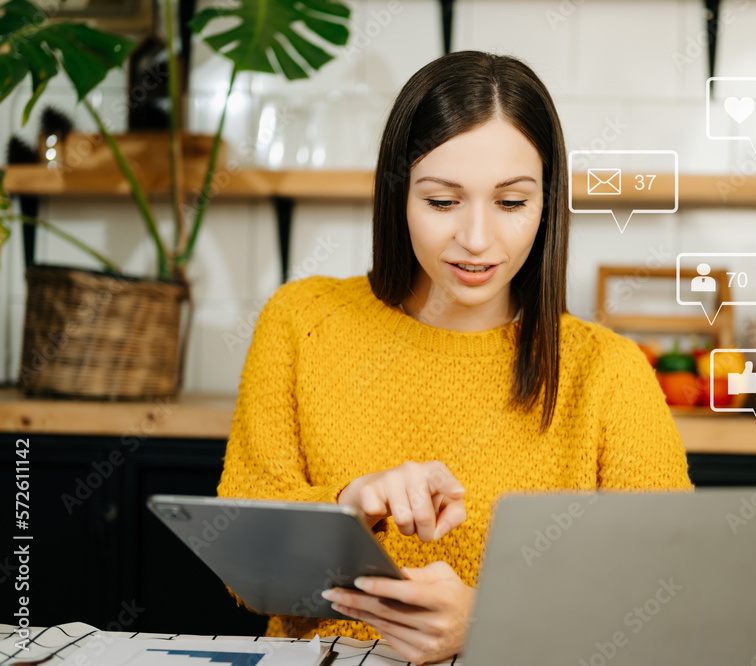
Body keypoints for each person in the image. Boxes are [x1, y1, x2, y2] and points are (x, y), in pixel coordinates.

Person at [216, 50, 693, 665]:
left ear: (547, 203)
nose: (475, 238)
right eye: (442, 201)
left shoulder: (607, 371)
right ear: (398, 196)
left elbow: (669, 601)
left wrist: (494, 621)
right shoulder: (301, 322)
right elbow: (246, 572)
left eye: (512, 203)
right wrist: (347, 510)